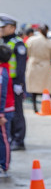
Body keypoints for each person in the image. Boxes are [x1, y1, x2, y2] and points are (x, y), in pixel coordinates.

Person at [0, 14, 27, 151]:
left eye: (4, 27)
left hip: (14, 82)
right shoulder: (3, 42)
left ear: (12, 28)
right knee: (6, 111)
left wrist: (19, 84)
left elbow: (21, 66)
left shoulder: (18, 43)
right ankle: (9, 137)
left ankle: (18, 139)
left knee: (16, 111)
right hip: (4, 82)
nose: (1, 30)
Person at [25, 25, 51, 113]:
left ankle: (35, 107)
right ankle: (45, 107)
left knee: (34, 88)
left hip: (33, 64)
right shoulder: (49, 42)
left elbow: (27, 53)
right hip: (45, 66)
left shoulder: (31, 40)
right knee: (45, 87)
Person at [0, 45, 12, 177]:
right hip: (4, 109)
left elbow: (1, 94)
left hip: (4, 110)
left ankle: (5, 166)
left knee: (3, 139)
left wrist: (1, 114)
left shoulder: (2, 72)